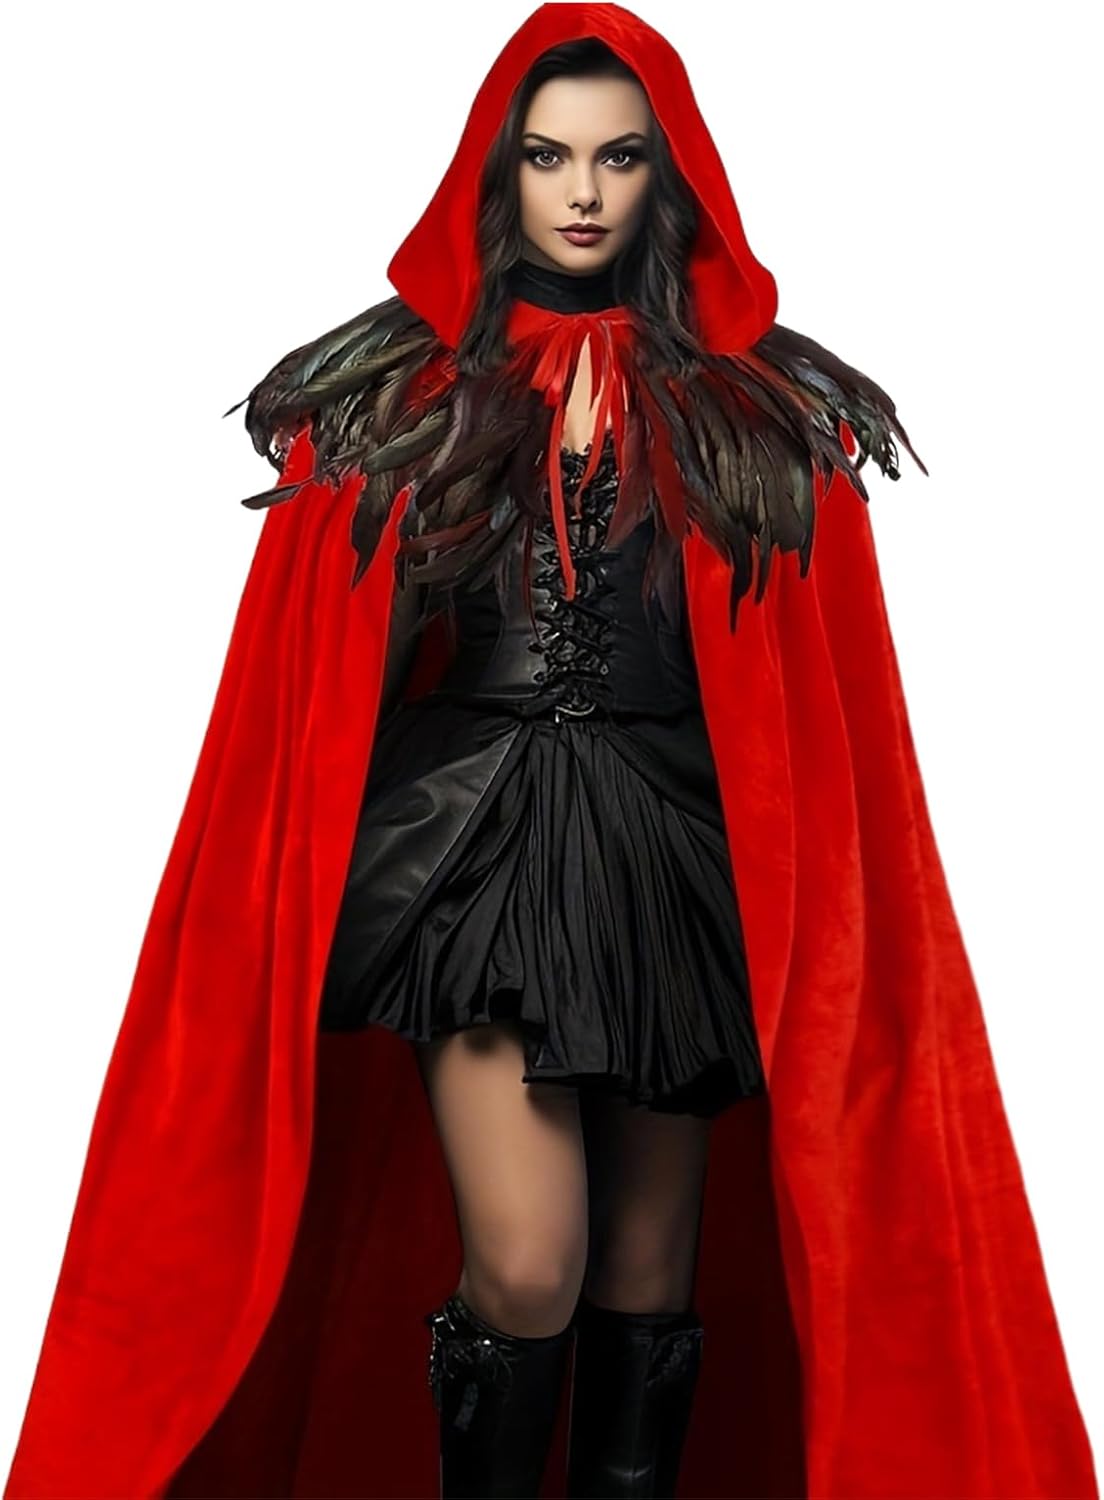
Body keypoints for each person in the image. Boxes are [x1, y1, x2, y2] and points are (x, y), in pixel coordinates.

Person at [5, 6, 1098, 1500]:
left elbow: (825, 711)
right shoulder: (400, 399)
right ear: (496, 170)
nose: (582, 192)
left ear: (670, 176)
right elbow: (310, 677)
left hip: (670, 853)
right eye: (547, 157)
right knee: (528, 1265)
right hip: (474, 846)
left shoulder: (757, 409)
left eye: (619, 158)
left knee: (647, 1280)